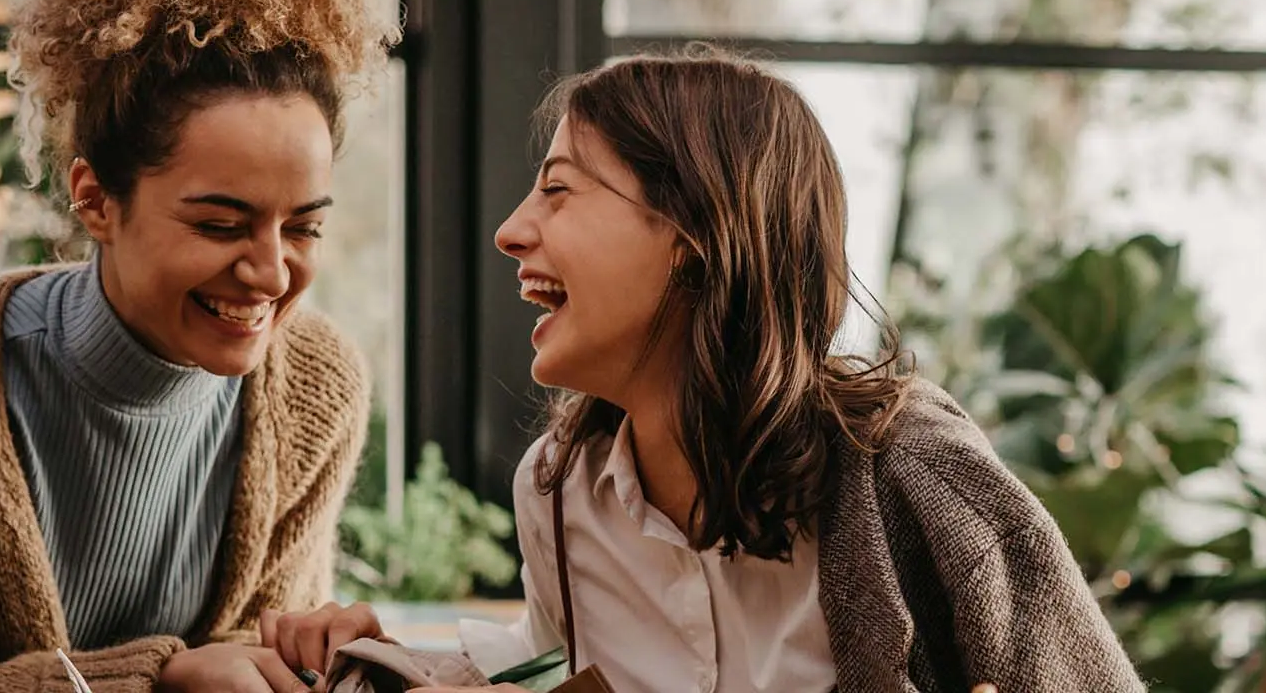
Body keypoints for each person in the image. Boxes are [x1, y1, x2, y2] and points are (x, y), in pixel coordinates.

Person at [268, 50, 1141, 693]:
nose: (510, 230)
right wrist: (376, 658)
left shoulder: (911, 470)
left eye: (560, 190)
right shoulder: (559, 490)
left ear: (695, 240)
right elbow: (550, 665)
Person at [0, 0, 399, 691]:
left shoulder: (316, 385)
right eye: (219, 224)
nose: (271, 274)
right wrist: (158, 681)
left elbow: (252, 657)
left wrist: (316, 660)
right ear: (95, 201)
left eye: (302, 227)